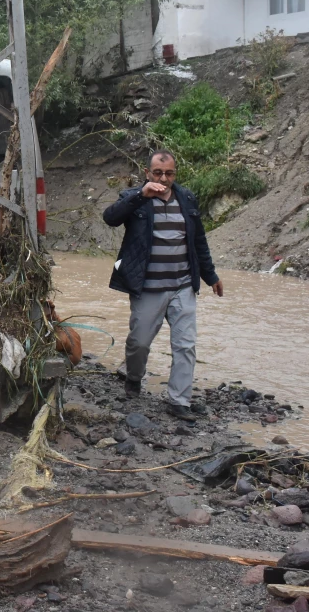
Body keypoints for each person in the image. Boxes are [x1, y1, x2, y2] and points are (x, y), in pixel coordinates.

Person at [102, 150, 224, 423]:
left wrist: (211, 276)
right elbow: (110, 218)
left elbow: (199, 242)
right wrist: (140, 195)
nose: (163, 178)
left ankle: (179, 401)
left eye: (169, 173)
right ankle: (134, 377)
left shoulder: (187, 199)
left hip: (183, 286)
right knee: (139, 343)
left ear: (175, 174)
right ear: (148, 173)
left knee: (185, 345)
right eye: (158, 173)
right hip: (147, 288)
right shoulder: (135, 199)